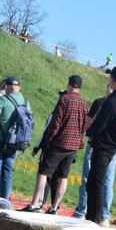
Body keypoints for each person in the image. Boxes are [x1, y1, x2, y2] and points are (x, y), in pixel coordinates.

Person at [21, 75, 88, 214]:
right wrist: (79, 142)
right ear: (79, 88)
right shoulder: (84, 103)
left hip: (59, 143)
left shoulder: (64, 99)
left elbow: (55, 123)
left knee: (43, 173)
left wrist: (49, 140)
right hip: (73, 146)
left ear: (69, 84)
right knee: (63, 176)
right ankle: (54, 207)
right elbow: (84, 126)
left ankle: (34, 204)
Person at [85, 66, 116, 225]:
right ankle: (93, 217)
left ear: (112, 79)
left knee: (95, 185)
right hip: (113, 147)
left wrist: (89, 133)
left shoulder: (112, 102)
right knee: (95, 183)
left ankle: (94, 219)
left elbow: (100, 124)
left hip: (103, 145)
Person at [0, 76, 29, 199]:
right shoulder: (25, 102)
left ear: (7, 87)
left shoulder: (3, 100)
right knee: (7, 173)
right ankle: (4, 203)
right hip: (15, 143)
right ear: (19, 88)